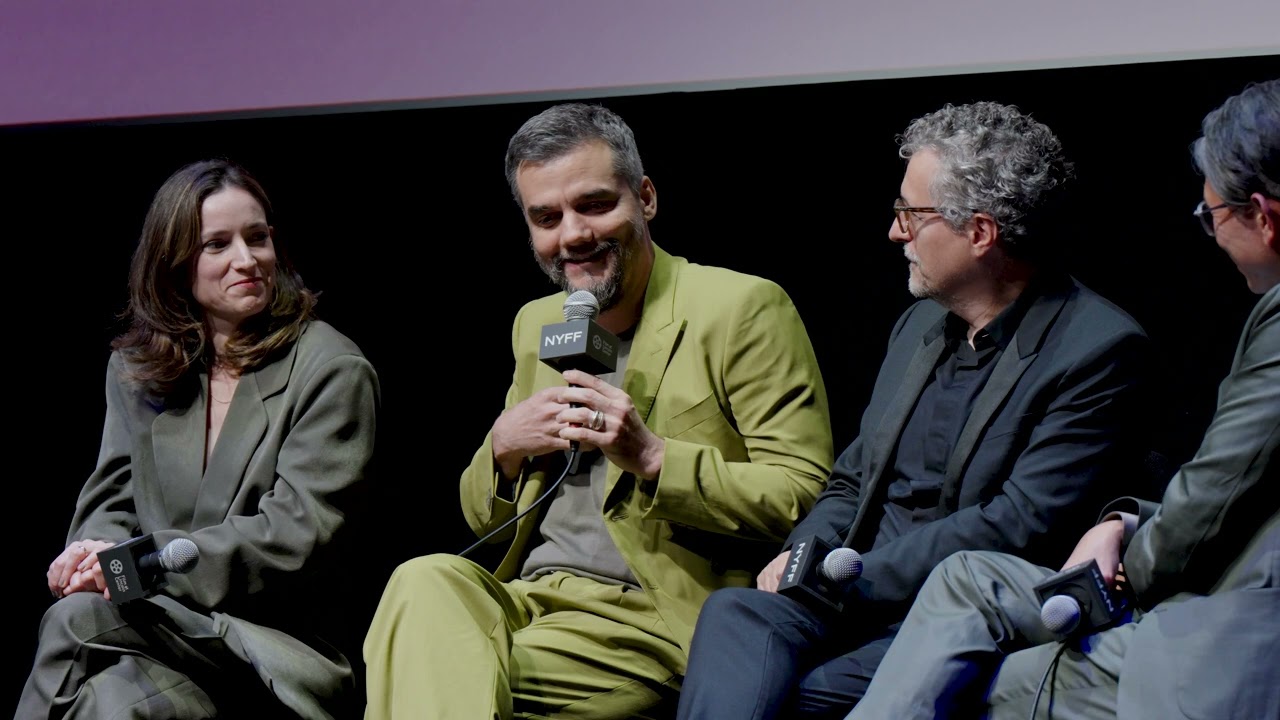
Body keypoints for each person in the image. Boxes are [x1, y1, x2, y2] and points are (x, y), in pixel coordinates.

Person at [676, 101, 1152, 720]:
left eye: (911, 213)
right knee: (736, 614)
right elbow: (853, 476)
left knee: (805, 696)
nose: (895, 232)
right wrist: (804, 559)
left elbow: (1016, 524)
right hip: (846, 588)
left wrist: (854, 578)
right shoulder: (920, 324)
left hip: (943, 613)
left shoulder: (1097, 348)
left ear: (980, 233)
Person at [362, 103, 834, 719]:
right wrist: (503, 450)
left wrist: (655, 457)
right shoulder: (537, 323)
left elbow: (806, 494)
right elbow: (485, 521)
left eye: (594, 205)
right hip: (527, 599)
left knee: (431, 680)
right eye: (546, 217)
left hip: (647, 616)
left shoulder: (740, 307)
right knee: (421, 579)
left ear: (646, 197)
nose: (573, 235)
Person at [846, 79, 1280, 720]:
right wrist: (1124, 520)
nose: (1210, 235)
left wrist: (1128, 561)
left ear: (1263, 217)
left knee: (988, 683)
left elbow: (1217, 492)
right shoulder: (916, 330)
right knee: (966, 583)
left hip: (1230, 618)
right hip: (1195, 574)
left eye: (1210, 215)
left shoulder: (1106, 344)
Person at [18, 159, 381, 718]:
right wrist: (92, 552)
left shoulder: (331, 367)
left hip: (271, 646)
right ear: (175, 263)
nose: (247, 260)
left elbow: (295, 536)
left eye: (256, 238)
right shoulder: (137, 372)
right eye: (218, 244)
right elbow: (111, 500)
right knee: (112, 706)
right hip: (155, 630)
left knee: (73, 620)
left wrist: (138, 564)